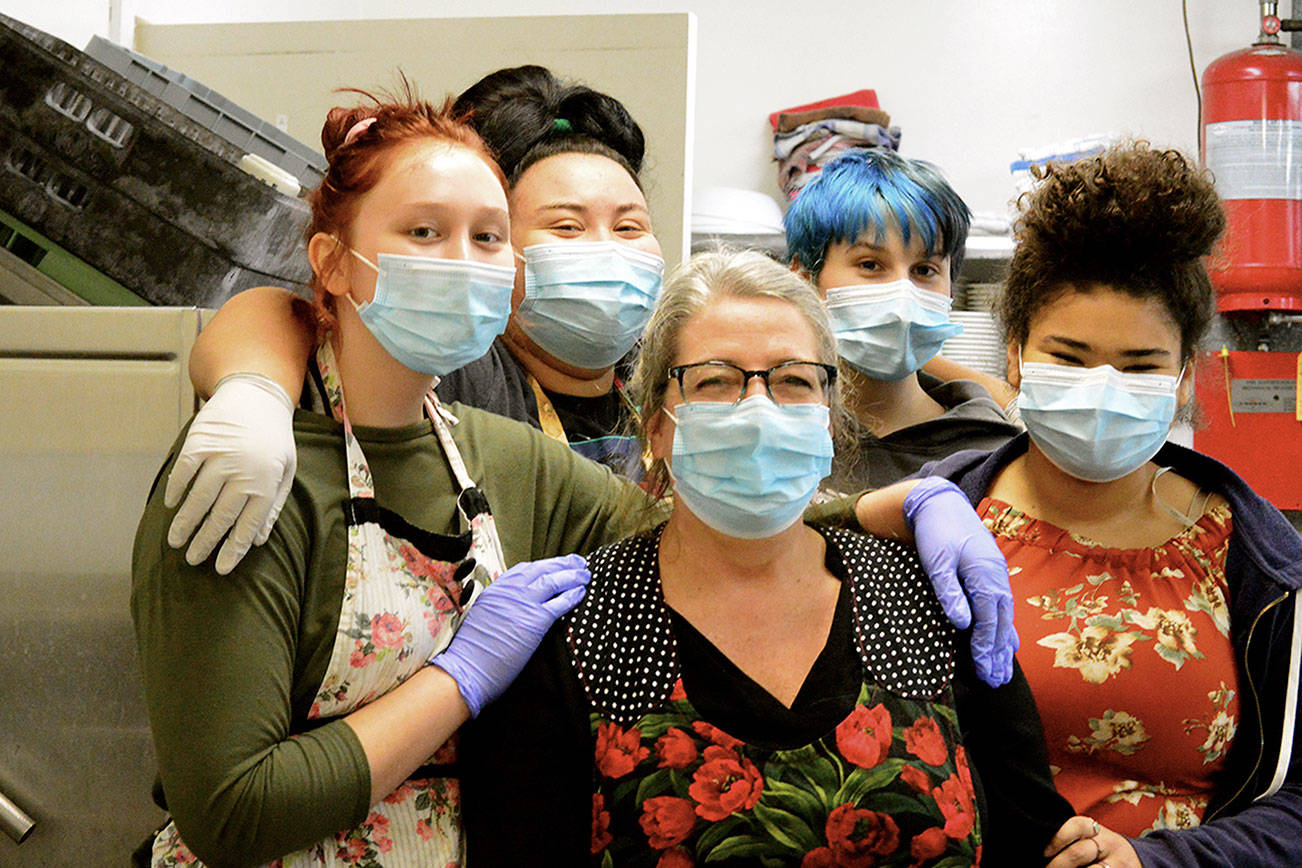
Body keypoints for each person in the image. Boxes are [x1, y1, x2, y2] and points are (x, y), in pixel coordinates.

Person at [132, 86, 1023, 867]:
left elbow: (710, 512)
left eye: (486, 238)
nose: (461, 262)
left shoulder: (497, 455)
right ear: (332, 262)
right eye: (423, 233)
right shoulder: (248, 472)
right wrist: (457, 679)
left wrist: (907, 502)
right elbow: (228, 811)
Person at [460, 248, 1071, 867]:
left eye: (793, 380)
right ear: (657, 426)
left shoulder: (929, 602)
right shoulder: (580, 633)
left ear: (831, 423)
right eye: (716, 380)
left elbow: (1039, 841)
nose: (758, 411)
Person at [920, 143, 1302, 868]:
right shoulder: (943, 521)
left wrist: (1155, 861)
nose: (1100, 387)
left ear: (1185, 375)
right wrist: (897, 506)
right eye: (1067, 357)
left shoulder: (1258, 561)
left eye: (1139, 367)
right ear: (1013, 355)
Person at [176, 67, 660, 580]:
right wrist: (253, 392)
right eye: (567, 226)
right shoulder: (454, 363)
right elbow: (277, 314)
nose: (607, 251)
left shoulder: (662, 373)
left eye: (630, 227)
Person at [783, 148, 1021, 491]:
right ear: (804, 280)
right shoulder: (777, 436)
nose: (902, 297)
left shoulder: (992, 454)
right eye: (870, 265)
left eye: (925, 270)